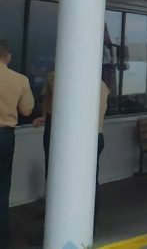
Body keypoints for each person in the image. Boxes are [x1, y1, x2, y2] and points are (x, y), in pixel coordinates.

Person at [34, 70, 110, 178]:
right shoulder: (101, 83)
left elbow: (50, 99)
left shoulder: (58, 76)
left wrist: (45, 116)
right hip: (96, 134)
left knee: (57, 177)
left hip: (68, 135)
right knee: (89, 179)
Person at [0, 40, 34, 248]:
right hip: (5, 137)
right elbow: (27, 110)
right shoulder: (20, 80)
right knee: (2, 190)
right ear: (8, 57)